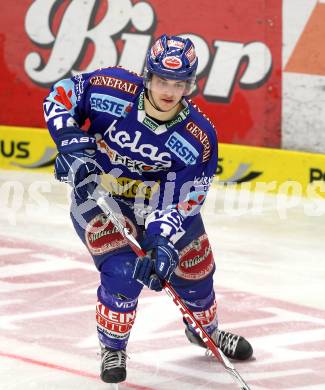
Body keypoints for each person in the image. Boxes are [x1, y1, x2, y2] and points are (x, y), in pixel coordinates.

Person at [43, 34, 253, 384]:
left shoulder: (197, 137)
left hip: (158, 205)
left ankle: (205, 331)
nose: (168, 91)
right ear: (147, 76)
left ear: (190, 84)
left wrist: (161, 240)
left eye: (179, 83)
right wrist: (70, 143)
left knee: (196, 267)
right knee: (123, 272)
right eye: (161, 80)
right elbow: (62, 94)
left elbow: (186, 198)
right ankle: (113, 347)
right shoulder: (111, 88)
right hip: (99, 199)